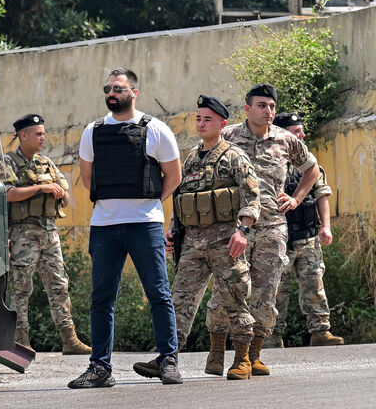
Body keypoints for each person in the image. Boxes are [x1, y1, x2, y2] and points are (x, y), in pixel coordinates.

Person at [68, 68, 183, 389]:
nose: (111, 93)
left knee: (159, 294)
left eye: (117, 88)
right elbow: (89, 180)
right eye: (107, 88)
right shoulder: (93, 131)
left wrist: (149, 202)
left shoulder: (156, 129)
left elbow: (173, 178)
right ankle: (100, 368)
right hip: (104, 226)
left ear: (134, 92)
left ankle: (168, 360)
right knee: (101, 299)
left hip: (144, 225)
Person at [133, 94, 260, 381]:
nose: (202, 124)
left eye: (208, 119)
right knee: (179, 299)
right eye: (199, 118)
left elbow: (252, 196)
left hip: (226, 240)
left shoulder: (234, 156)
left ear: (222, 124)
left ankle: (242, 359)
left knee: (235, 296)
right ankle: (168, 358)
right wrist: (172, 229)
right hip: (192, 242)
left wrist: (243, 231)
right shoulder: (190, 158)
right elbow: (181, 198)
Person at [205, 83, 321, 376]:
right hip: (234, 229)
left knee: (265, 293)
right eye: (261, 105)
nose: (268, 111)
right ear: (247, 109)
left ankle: (249, 357)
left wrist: (296, 198)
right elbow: (199, 169)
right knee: (227, 289)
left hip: (272, 227)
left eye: (271, 106)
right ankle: (217, 350)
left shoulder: (285, 140)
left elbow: (312, 169)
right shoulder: (227, 136)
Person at [5, 114, 91, 355]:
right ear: (24, 135)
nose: (44, 137)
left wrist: (60, 193)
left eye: (43, 133)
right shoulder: (9, 162)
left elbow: (65, 195)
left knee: (59, 285)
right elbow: (8, 193)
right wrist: (41, 187)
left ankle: (70, 339)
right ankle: (20, 341)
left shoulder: (46, 163)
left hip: (49, 232)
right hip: (23, 234)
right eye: (39, 133)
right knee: (22, 288)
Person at [263, 112, 344, 348]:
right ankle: (272, 336)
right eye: (297, 131)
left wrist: (326, 228)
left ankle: (320, 332)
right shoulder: (270, 162)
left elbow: (321, 197)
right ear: (285, 133)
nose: (303, 134)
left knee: (314, 285)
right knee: (277, 290)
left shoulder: (310, 165)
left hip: (308, 237)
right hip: (280, 239)